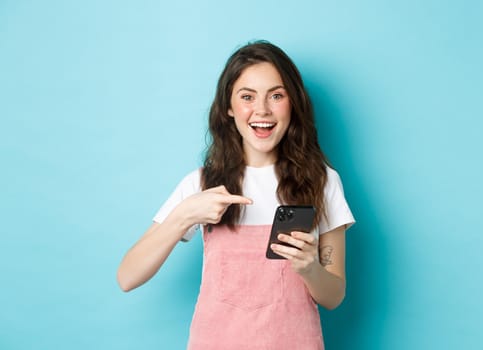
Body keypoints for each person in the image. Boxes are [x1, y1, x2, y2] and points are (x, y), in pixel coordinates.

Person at [117, 40, 355, 349]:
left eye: (277, 96)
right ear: (229, 107)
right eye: (247, 97)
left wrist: (310, 268)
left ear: (293, 103)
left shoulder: (323, 182)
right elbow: (127, 276)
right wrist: (184, 216)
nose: (262, 110)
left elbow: (334, 296)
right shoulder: (201, 184)